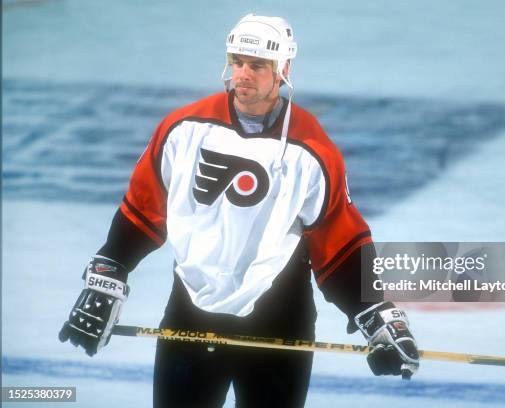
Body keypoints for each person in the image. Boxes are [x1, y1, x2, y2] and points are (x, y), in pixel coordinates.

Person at [59, 13, 419, 407]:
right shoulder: (183, 128)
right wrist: (109, 271)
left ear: (283, 69)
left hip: (280, 319)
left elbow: (339, 242)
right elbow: (142, 209)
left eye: (257, 65)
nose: (243, 74)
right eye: (237, 61)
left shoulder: (312, 150)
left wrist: (377, 313)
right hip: (190, 313)